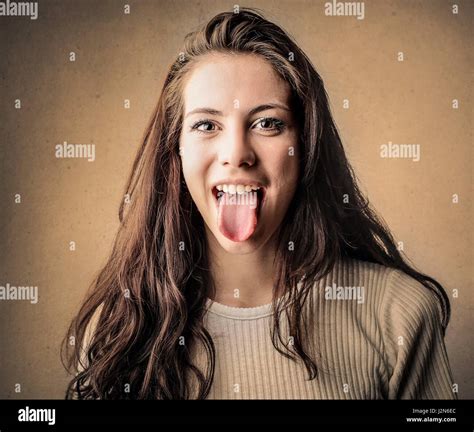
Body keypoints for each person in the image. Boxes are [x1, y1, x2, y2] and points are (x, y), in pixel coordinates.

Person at [63, 8, 456, 400]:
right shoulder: (116, 330)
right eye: (206, 125)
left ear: (304, 146)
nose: (237, 154)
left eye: (267, 123)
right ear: (176, 150)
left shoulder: (399, 314)